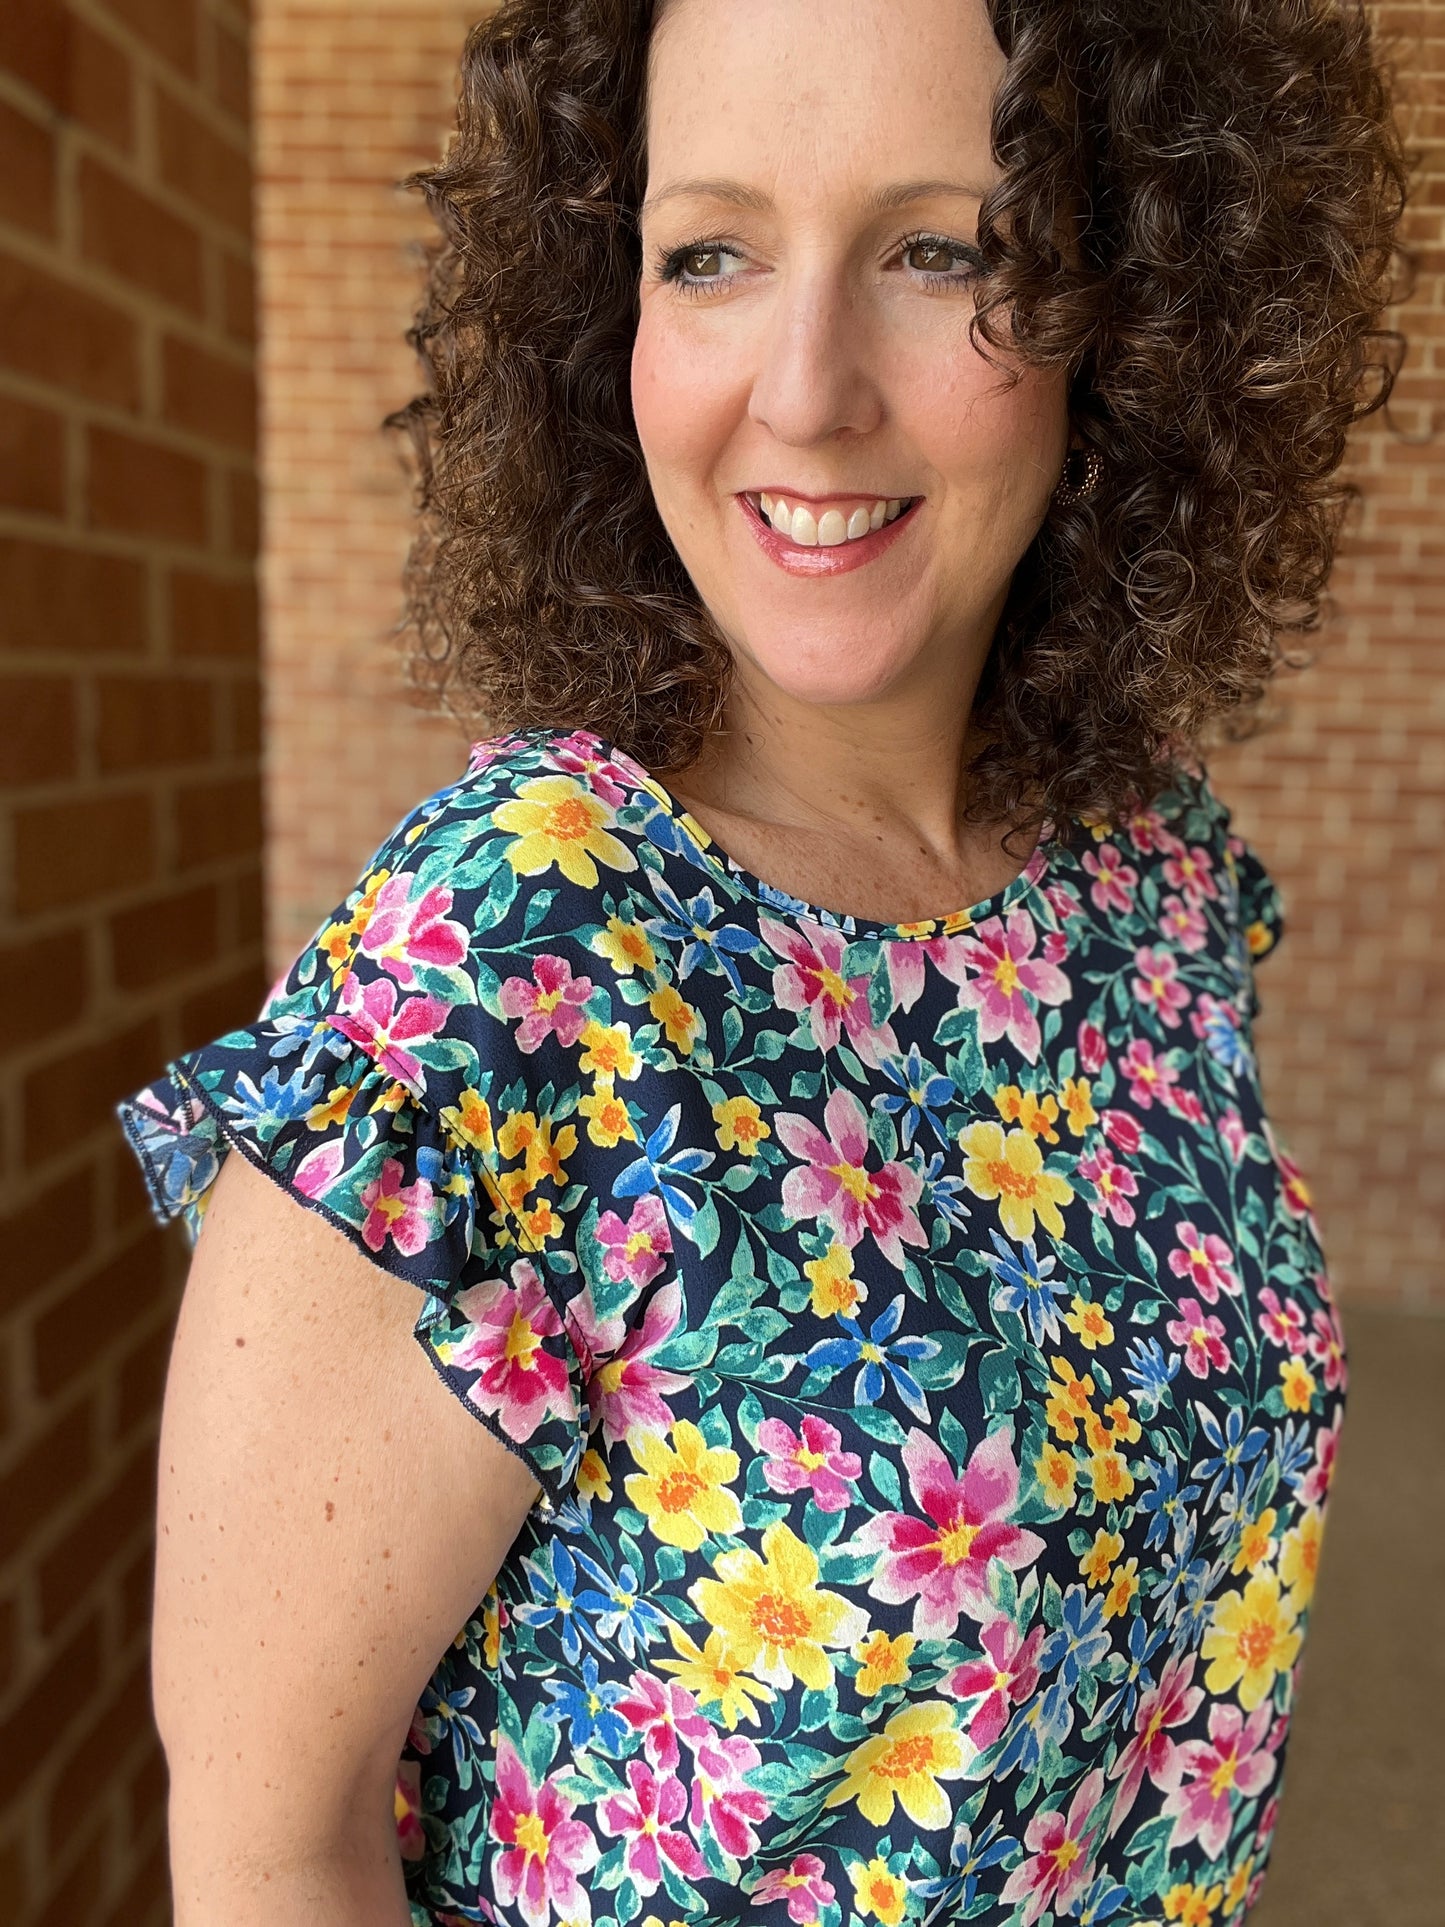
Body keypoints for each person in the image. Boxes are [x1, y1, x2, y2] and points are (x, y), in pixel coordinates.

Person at [118, 0, 1403, 1920]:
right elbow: (267, 1847)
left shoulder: (1146, 877)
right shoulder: (509, 955)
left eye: (939, 250)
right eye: (703, 251)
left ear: (1129, 313)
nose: (802, 391)